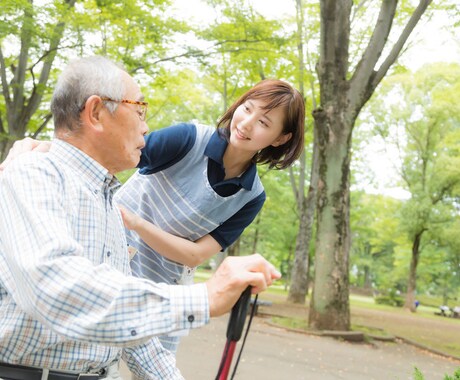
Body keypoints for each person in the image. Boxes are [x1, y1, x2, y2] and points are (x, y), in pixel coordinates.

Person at [0, 56, 281, 380]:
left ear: (280, 138)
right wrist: (204, 297)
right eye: (139, 110)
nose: (147, 126)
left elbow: (135, 340)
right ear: (95, 113)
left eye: (266, 122)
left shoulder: (108, 205)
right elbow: (58, 290)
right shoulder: (33, 174)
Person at [116, 79, 305, 354]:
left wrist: (136, 222)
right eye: (247, 108)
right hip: (114, 262)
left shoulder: (251, 196)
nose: (246, 123)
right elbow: (114, 155)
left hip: (167, 291)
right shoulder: (187, 139)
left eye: (264, 122)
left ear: (280, 138)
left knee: (155, 371)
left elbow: (193, 255)